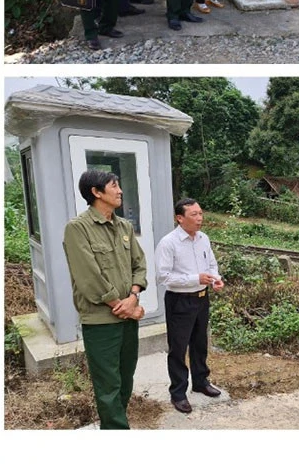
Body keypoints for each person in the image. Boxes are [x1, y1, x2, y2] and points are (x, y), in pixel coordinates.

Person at [63, 169, 147, 430]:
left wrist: (132, 298)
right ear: (96, 193)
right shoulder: (78, 228)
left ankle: (114, 426)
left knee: (125, 377)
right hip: (101, 321)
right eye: (114, 186)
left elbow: (139, 264)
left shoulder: (124, 226)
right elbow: (89, 277)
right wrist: (121, 306)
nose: (120, 191)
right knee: (107, 384)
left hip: (128, 317)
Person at [155, 198, 224, 414]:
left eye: (201, 213)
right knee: (178, 347)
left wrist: (215, 279)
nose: (200, 218)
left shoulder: (203, 239)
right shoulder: (169, 242)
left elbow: (211, 264)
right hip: (180, 301)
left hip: (202, 298)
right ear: (179, 218)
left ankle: (201, 381)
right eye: (194, 214)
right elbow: (163, 277)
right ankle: (178, 392)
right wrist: (196, 278)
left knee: (199, 342)